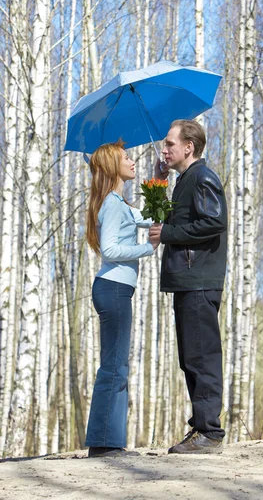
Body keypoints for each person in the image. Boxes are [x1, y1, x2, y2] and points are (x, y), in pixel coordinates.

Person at [149, 119, 228, 454]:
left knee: (202, 357)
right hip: (185, 281)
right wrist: (157, 183)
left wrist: (168, 234)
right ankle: (201, 428)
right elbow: (163, 218)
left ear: (188, 147)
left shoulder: (202, 177)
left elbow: (214, 221)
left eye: (169, 144)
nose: (164, 149)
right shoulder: (184, 181)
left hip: (199, 281)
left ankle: (210, 433)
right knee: (191, 358)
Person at [85, 140, 159, 458]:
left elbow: (152, 217)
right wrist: (148, 249)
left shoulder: (120, 202)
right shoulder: (113, 204)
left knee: (117, 366)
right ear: (113, 166)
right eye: (126, 157)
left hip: (116, 289)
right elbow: (111, 249)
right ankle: (104, 444)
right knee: (114, 368)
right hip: (113, 289)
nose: (132, 161)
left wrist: (160, 178)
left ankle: (109, 441)